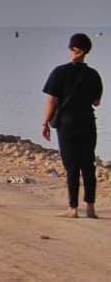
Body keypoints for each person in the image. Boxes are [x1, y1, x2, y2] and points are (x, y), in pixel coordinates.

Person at [41, 33, 103, 218]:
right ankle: (90, 208)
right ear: (87, 51)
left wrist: (44, 123)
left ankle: (73, 208)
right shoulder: (93, 75)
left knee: (72, 166)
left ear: (71, 49)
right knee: (88, 165)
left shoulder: (59, 72)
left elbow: (51, 101)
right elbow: (96, 102)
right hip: (87, 123)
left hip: (67, 124)